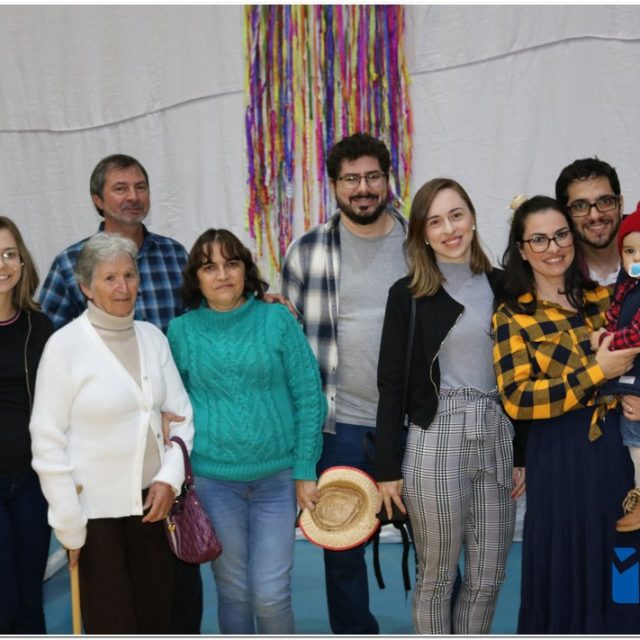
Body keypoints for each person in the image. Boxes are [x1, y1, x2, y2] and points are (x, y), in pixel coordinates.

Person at [38, 154, 202, 632]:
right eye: (109, 278)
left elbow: (182, 416)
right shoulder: (64, 346)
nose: (123, 286)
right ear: (86, 286)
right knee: (113, 622)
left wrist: (169, 478)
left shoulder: (152, 336)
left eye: (129, 276)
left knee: (160, 617)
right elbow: (48, 439)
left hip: (154, 504)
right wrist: (68, 520)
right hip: (95, 512)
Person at [374, 178, 525, 634]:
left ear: (473, 217)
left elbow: (525, 374)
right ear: (422, 233)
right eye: (435, 221)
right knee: (437, 577)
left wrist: (523, 453)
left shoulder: (506, 285)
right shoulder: (407, 294)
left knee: (488, 579)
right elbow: (391, 385)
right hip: (435, 436)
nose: (449, 229)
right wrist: (386, 467)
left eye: (456, 215)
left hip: (498, 435)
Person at [492, 195, 640, 633]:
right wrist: (597, 372)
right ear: (522, 250)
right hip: (558, 458)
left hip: (617, 452)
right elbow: (517, 397)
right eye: (538, 240)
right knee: (562, 562)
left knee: (625, 554)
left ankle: (626, 628)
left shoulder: (608, 299)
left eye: (560, 235)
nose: (553, 247)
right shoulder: (513, 316)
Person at [167, 228, 326, 634]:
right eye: (209, 267)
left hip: (277, 480)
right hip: (214, 482)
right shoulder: (181, 332)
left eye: (232, 263)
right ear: (196, 278)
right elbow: (171, 409)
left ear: (246, 270)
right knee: (233, 591)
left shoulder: (277, 319)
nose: (222, 274)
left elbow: (309, 396)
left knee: (271, 594)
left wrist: (304, 469)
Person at [281, 132, 408, 634]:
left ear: (388, 180)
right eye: (351, 178)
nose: (363, 188)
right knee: (341, 550)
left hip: (415, 424)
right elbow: (288, 342)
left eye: (373, 176)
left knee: (438, 541)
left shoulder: (419, 243)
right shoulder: (306, 251)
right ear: (333, 185)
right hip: (339, 427)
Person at [39, 154, 188, 333]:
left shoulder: (175, 254)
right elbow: (46, 335)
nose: (133, 197)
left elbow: (197, 326)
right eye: (120, 189)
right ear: (98, 200)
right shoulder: (70, 262)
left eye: (140, 187)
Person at [0, 217, 53, 634]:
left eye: (9, 254)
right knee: (4, 601)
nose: (3, 265)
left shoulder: (40, 326)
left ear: (22, 261)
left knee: (31, 598)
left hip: (32, 483)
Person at [590, 202, 640, 532]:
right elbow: (614, 318)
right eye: (629, 251)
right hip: (629, 381)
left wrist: (607, 341)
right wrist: (602, 335)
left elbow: (635, 334)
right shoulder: (626, 288)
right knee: (631, 436)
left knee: (634, 434)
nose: (636, 259)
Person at [555, 157, 624, 286]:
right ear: (565, 214)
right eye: (580, 206)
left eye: (605, 201)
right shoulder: (555, 270)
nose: (595, 216)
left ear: (620, 203)